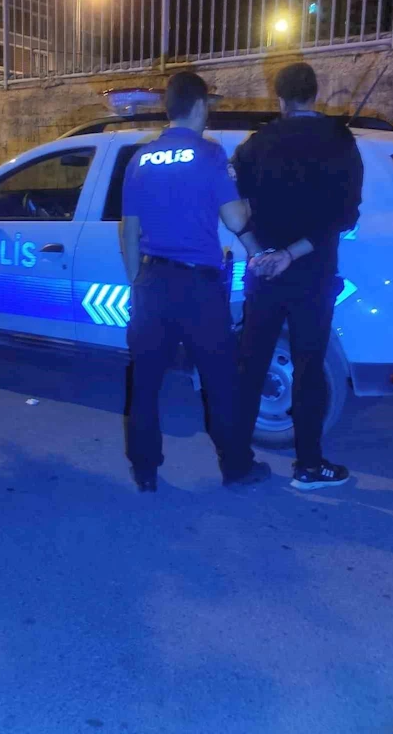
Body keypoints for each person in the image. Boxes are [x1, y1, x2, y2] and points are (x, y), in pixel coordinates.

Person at [119, 71, 269, 493]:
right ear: (201, 106)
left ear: (168, 109)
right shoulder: (209, 153)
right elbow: (235, 219)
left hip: (152, 282)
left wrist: (137, 283)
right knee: (221, 381)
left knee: (145, 382)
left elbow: (129, 232)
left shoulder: (140, 159)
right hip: (198, 289)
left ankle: (145, 470)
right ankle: (236, 467)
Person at [233, 62, 363, 491]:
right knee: (309, 369)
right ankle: (309, 466)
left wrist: (262, 252)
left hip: (265, 272)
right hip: (313, 274)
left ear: (280, 98)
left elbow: (233, 201)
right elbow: (345, 216)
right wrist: (293, 253)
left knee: (252, 364)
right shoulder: (339, 140)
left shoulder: (257, 144)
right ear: (314, 93)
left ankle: (236, 459)